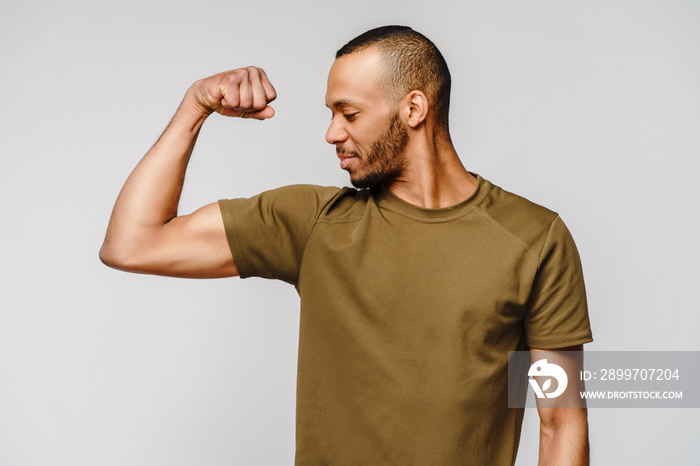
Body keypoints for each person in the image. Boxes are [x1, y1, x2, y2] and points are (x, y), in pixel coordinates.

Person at [100, 25, 592, 465]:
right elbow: (132, 243)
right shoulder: (312, 223)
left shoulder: (534, 238)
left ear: (414, 109)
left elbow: (562, 421)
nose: (332, 132)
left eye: (349, 113)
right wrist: (194, 107)